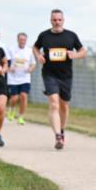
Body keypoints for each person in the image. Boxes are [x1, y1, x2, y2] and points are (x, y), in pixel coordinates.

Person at [33, 9, 86, 150]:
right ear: (51, 20)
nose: (57, 22)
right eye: (54, 20)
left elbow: (83, 51)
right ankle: (57, 135)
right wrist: (38, 56)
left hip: (66, 76)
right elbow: (35, 47)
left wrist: (75, 55)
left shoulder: (71, 36)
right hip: (49, 74)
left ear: (63, 20)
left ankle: (61, 130)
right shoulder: (44, 36)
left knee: (64, 106)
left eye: (59, 20)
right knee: (54, 104)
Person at [6, 32, 36, 125]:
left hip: (25, 77)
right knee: (14, 98)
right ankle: (11, 110)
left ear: (26, 40)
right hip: (13, 78)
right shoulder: (11, 49)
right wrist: (9, 68)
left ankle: (21, 117)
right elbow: (5, 62)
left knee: (23, 96)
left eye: (24, 39)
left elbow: (33, 63)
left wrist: (31, 68)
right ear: (17, 40)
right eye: (20, 39)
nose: (22, 41)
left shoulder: (29, 51)